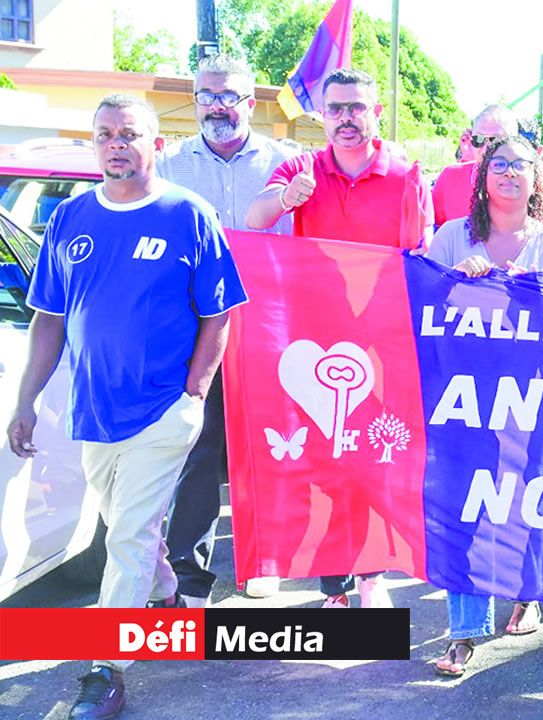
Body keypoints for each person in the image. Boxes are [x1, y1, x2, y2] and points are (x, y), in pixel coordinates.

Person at [6, 93, 247, 720]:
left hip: (164, 412)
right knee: (126, 530)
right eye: (106, 134)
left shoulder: (187, 215)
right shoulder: (69, 220)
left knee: (130, 539)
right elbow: (49, 320)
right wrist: (26, 401)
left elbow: (219, 312)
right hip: (94, 413)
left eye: (130, 133)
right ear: (95, 145)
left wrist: (195, 388)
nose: (117, 143)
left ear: (154, 143)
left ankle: (106, 668)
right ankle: (164, 599)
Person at [245, 67, 431, 609]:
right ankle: (335, 586)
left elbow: (414, 259)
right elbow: (254, 218)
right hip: (313, 345)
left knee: (374, 461)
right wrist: (286, 199)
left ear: (375, 111)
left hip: (379, 343)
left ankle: (372, 577)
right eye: (335, 109)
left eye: (356, 107)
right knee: (324, 464)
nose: (346, 118)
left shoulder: (404, 174)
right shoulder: (301, 165)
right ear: (321, 115)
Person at [156, 53, 296, 606]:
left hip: (268, 331)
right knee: (199, 448)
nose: (218, 105)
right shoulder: (168, 167)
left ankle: (264, 561)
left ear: (250, 102)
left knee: (265, 449)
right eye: (207, 96)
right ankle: (190, 579)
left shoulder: (286, 161)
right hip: (196, 334)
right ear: (194, 102)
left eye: (230, 95)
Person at [425, 135, 543, 674]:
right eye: (499, 164)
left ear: (536, 179)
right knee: (467, 495)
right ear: (483, 176)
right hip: (467, 384)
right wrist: (455, 281)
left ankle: (526, 592)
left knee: (534, 487)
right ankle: (463, 629)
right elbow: (420, 297)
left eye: (520, 166)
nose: (508, 173)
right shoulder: (452, 236)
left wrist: (539, 294)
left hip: (537, 380)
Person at [431, 104, 519, 229]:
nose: (487, 147)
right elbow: (431, 232)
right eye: (479, 139)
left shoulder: (525, 183)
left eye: (496, 140)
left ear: (514, 142)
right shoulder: (450, 177)